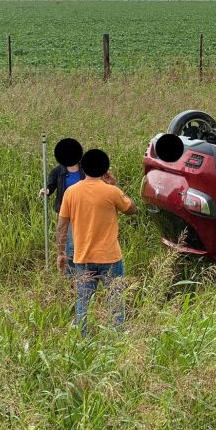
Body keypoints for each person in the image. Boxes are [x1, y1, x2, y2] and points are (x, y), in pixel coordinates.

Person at [56, 149, 137, 333]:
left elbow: (61, 227)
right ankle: (117, 341)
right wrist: (115, 186)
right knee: (115, 302)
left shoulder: (71, 192)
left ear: (83, 167)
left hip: (82, 258)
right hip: (110, 258)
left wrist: (61, 253)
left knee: (83, 304)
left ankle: (83, 342)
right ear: (105, 168)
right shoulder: (111, 192)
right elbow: (132, 209)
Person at [40, 138, 84, 274]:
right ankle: (71, 273)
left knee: (82, 240)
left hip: (83, 210)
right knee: (70, 243)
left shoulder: (85, 169)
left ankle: (84, 269)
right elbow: (51, 186)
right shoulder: (57, 171)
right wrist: (46, 190)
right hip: (66, 211)